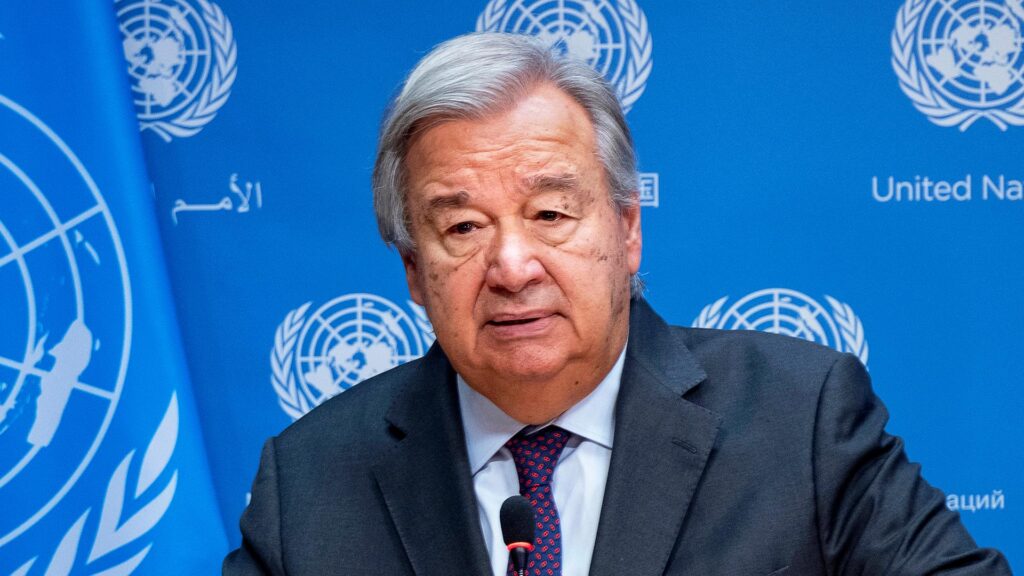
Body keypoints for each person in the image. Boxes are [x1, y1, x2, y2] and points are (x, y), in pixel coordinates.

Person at [224, 32, 1011, 576]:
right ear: (413, 271)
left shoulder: (799, 420)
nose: (511, 266)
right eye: (462, 227)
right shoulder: (312, 481)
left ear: (628, 231)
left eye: (550, 213)